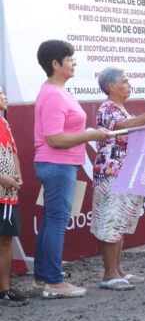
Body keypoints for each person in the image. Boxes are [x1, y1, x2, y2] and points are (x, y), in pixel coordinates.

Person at [33, 39, 110, 298]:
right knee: (56, 221)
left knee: (51, 221)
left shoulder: (58, 91)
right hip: (57, 164)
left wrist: (88, 134)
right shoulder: (54, 94)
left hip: (60, 164)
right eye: (70, 58)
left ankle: (44, 278)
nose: (74, 62)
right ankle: (54, 282)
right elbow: (54, 138)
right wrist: (89, 135)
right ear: (55, 64)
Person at [92, 67, 145, 290]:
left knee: (120, 222)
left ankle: (118, 269)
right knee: (110, 222)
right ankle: (109, 274)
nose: (130, 85)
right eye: (126, 81)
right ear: (111, 87)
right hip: (112, 174)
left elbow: (135, 127)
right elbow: (122, 128)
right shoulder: (107, 108)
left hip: (128, 173)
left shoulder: (121, 109)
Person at [0, 86, 27, 305]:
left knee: (6, 240)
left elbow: (13, 152)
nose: (4, 97)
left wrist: (17, 175)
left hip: (7, 194)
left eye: (3, 92)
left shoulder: (5, 123)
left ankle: (4, 289)